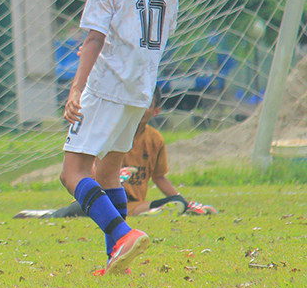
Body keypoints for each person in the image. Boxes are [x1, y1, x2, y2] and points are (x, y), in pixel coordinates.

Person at [59, 0, 179, 275]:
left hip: (107, 87)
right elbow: (156, 34)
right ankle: (119, 258)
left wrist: (77, 89)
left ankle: (122, 232)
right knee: (108, 174)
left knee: (72, 172)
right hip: (139, 92)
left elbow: (94, 39)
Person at [15, 87, 217, 218]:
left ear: (155, 110)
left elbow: (160, 177)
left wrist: (182, 200)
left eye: (145, 105)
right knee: (75, 212)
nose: (138, 109)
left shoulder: (155, 139)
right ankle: (43, 215)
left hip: (135, 206)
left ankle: (181, 209)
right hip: (104, 199)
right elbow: (83, 171)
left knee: (176, 203)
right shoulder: (111, 132)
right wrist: (112, 176)